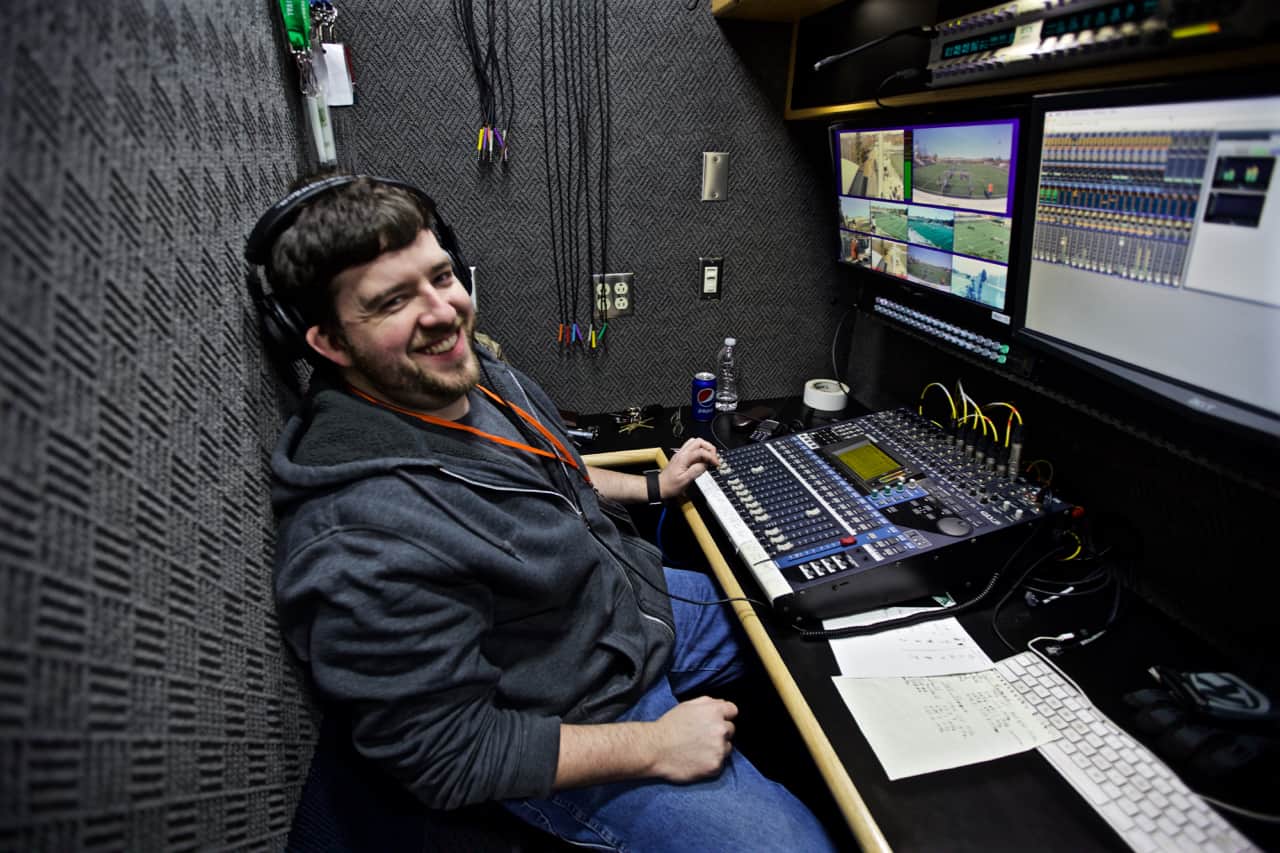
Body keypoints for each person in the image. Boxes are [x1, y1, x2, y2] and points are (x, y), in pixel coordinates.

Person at [258, 175, 837, 851]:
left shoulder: (465, 374)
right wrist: (655, 744)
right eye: (391, 302)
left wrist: (653, 486)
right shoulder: (360, 541)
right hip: (569, 716)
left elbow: (542, 469)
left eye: (441, 277)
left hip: (618, 604)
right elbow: (450, 754)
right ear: (327, 342)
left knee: (802, 605)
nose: (443, 313)